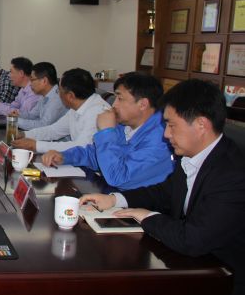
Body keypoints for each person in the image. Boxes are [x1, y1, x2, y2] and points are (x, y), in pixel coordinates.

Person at [80, 79, 245, 294]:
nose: (166, 134)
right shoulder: (191, 155)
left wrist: (146, 216)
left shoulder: (232, 173)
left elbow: (193, 239)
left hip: (224, 278)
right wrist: (115, 199)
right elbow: (163, 192)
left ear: (201, 125)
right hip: (193, 264)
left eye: (171, 125)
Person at [42, 72, 174, 190]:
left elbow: (118, 178)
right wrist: (65, 156)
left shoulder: (161, 139)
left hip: (141, 204)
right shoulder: (125, 126)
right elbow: (94, 155)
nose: (114, 105)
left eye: (120, 98)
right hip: (115, 196)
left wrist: (106, 132)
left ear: (143, 104)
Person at [12, 68, 109, 153]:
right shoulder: (76, 107)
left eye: (59, 90)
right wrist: (24, 134)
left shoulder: (98, 112)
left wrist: (36, 145)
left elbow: (81, 147)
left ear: (70, 96)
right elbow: (54, 130)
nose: (58, 94)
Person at [14, 62, 68, 131]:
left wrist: (15, 121)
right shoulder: (43, 95)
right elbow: (33, 115)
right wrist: (18, 114)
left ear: (44, 81)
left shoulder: (58, 98)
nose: (30, 84)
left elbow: (44, 125)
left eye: (32, 80)